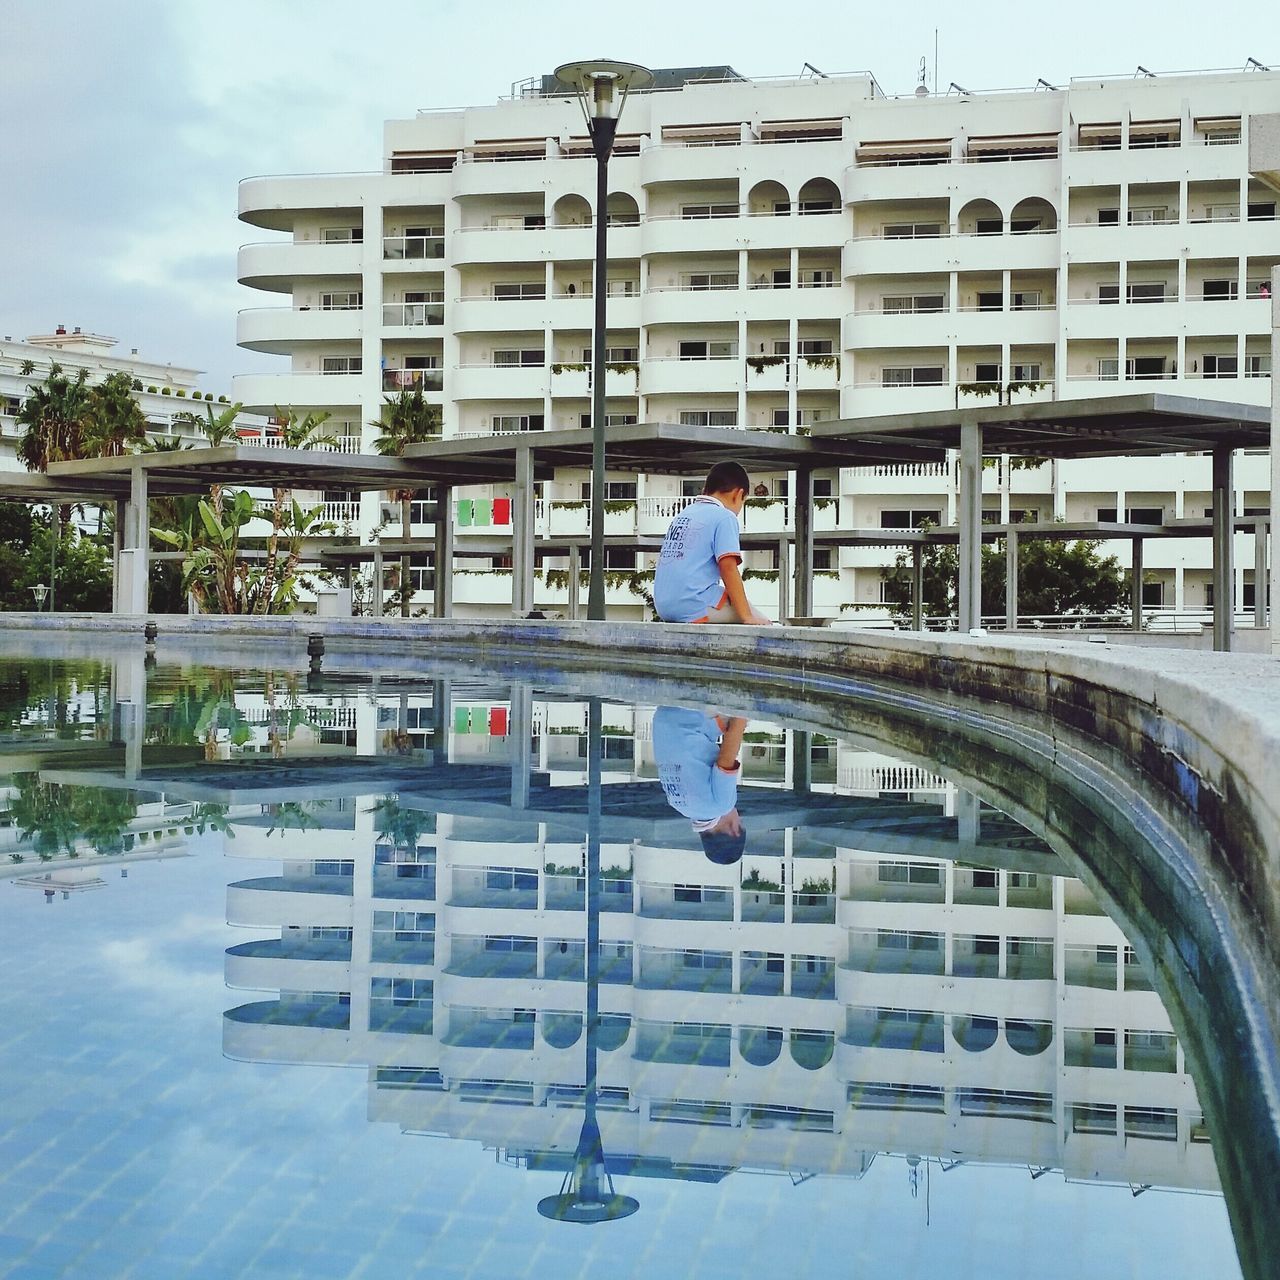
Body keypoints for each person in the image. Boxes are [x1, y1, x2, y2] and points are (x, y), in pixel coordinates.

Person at [653, 461, 771, 624]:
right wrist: (747, 617)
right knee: (762, 620)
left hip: (664, 607)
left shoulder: (684, 514)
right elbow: (728, 568)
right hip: (693, 606)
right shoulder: (724, 517)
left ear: (705, 489)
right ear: (738, 494)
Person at [652, 706, 748, 865]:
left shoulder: (721, 806)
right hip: (663, 715)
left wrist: (743, 714)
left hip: (691, 717)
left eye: (741, 822)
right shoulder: (679, 806)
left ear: (734, 830)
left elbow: (727, 755)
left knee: (744, 717)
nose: (739, 815)